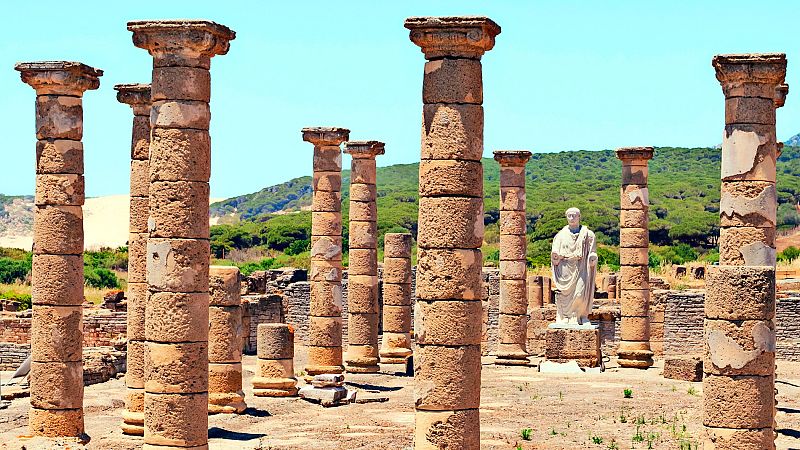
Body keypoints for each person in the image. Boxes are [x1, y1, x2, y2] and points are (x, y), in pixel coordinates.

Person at [550, 207, 597, 326]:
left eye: (574, 215)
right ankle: (566, 316)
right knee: (565, 295)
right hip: (565, 268)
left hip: (581, 267)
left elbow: (592, 251)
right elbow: (555, 252)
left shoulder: (588, 234)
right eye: (569, 216)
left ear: (579, 217)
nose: (572, 218)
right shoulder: (560, 235)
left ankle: (581, 315)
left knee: (580, 293)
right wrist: (556, 256)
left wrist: (592, 258)